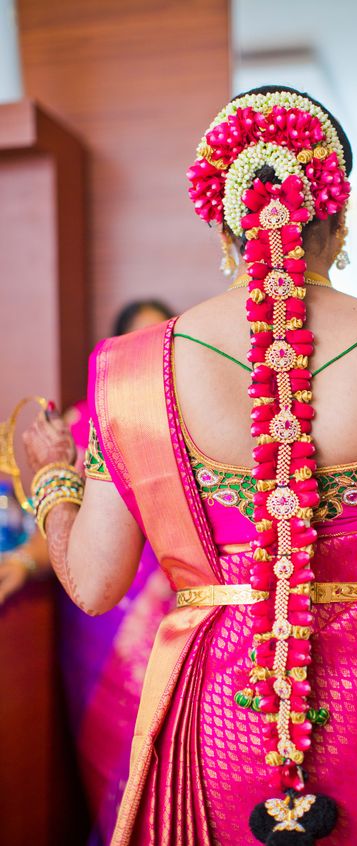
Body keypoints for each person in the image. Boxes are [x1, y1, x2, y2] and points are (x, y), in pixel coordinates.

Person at [21, 87, 357, 846]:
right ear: (338, 218)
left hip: (223, 704)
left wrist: (44, 474)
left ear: (221, 222)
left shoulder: (134, 373)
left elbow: (94, 580)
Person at [1, 300, 175, 845]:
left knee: (176, 750)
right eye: (138, 342)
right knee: (116, 753)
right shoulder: (84, 423)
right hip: (98, 615)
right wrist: (23, 562)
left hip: (174, 604)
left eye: (160, 340)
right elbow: (44, 520)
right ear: (119, 350)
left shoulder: (191, 415)